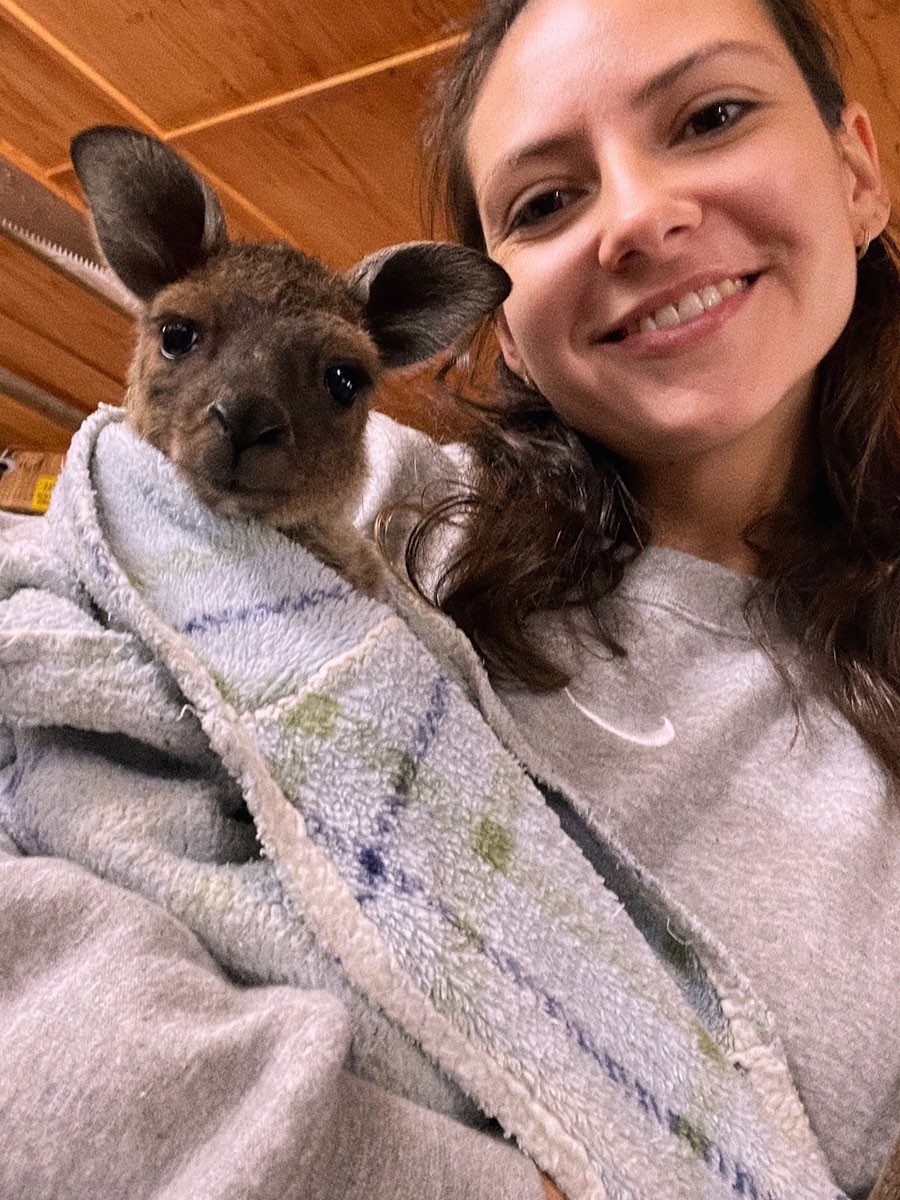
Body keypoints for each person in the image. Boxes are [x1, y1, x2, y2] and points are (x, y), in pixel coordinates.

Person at [0, 4, 897, 1200]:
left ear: (857, 176)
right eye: (543, 204)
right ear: (506, 329)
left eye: (712, 116)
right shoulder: (388, 515)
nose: (637, 218)